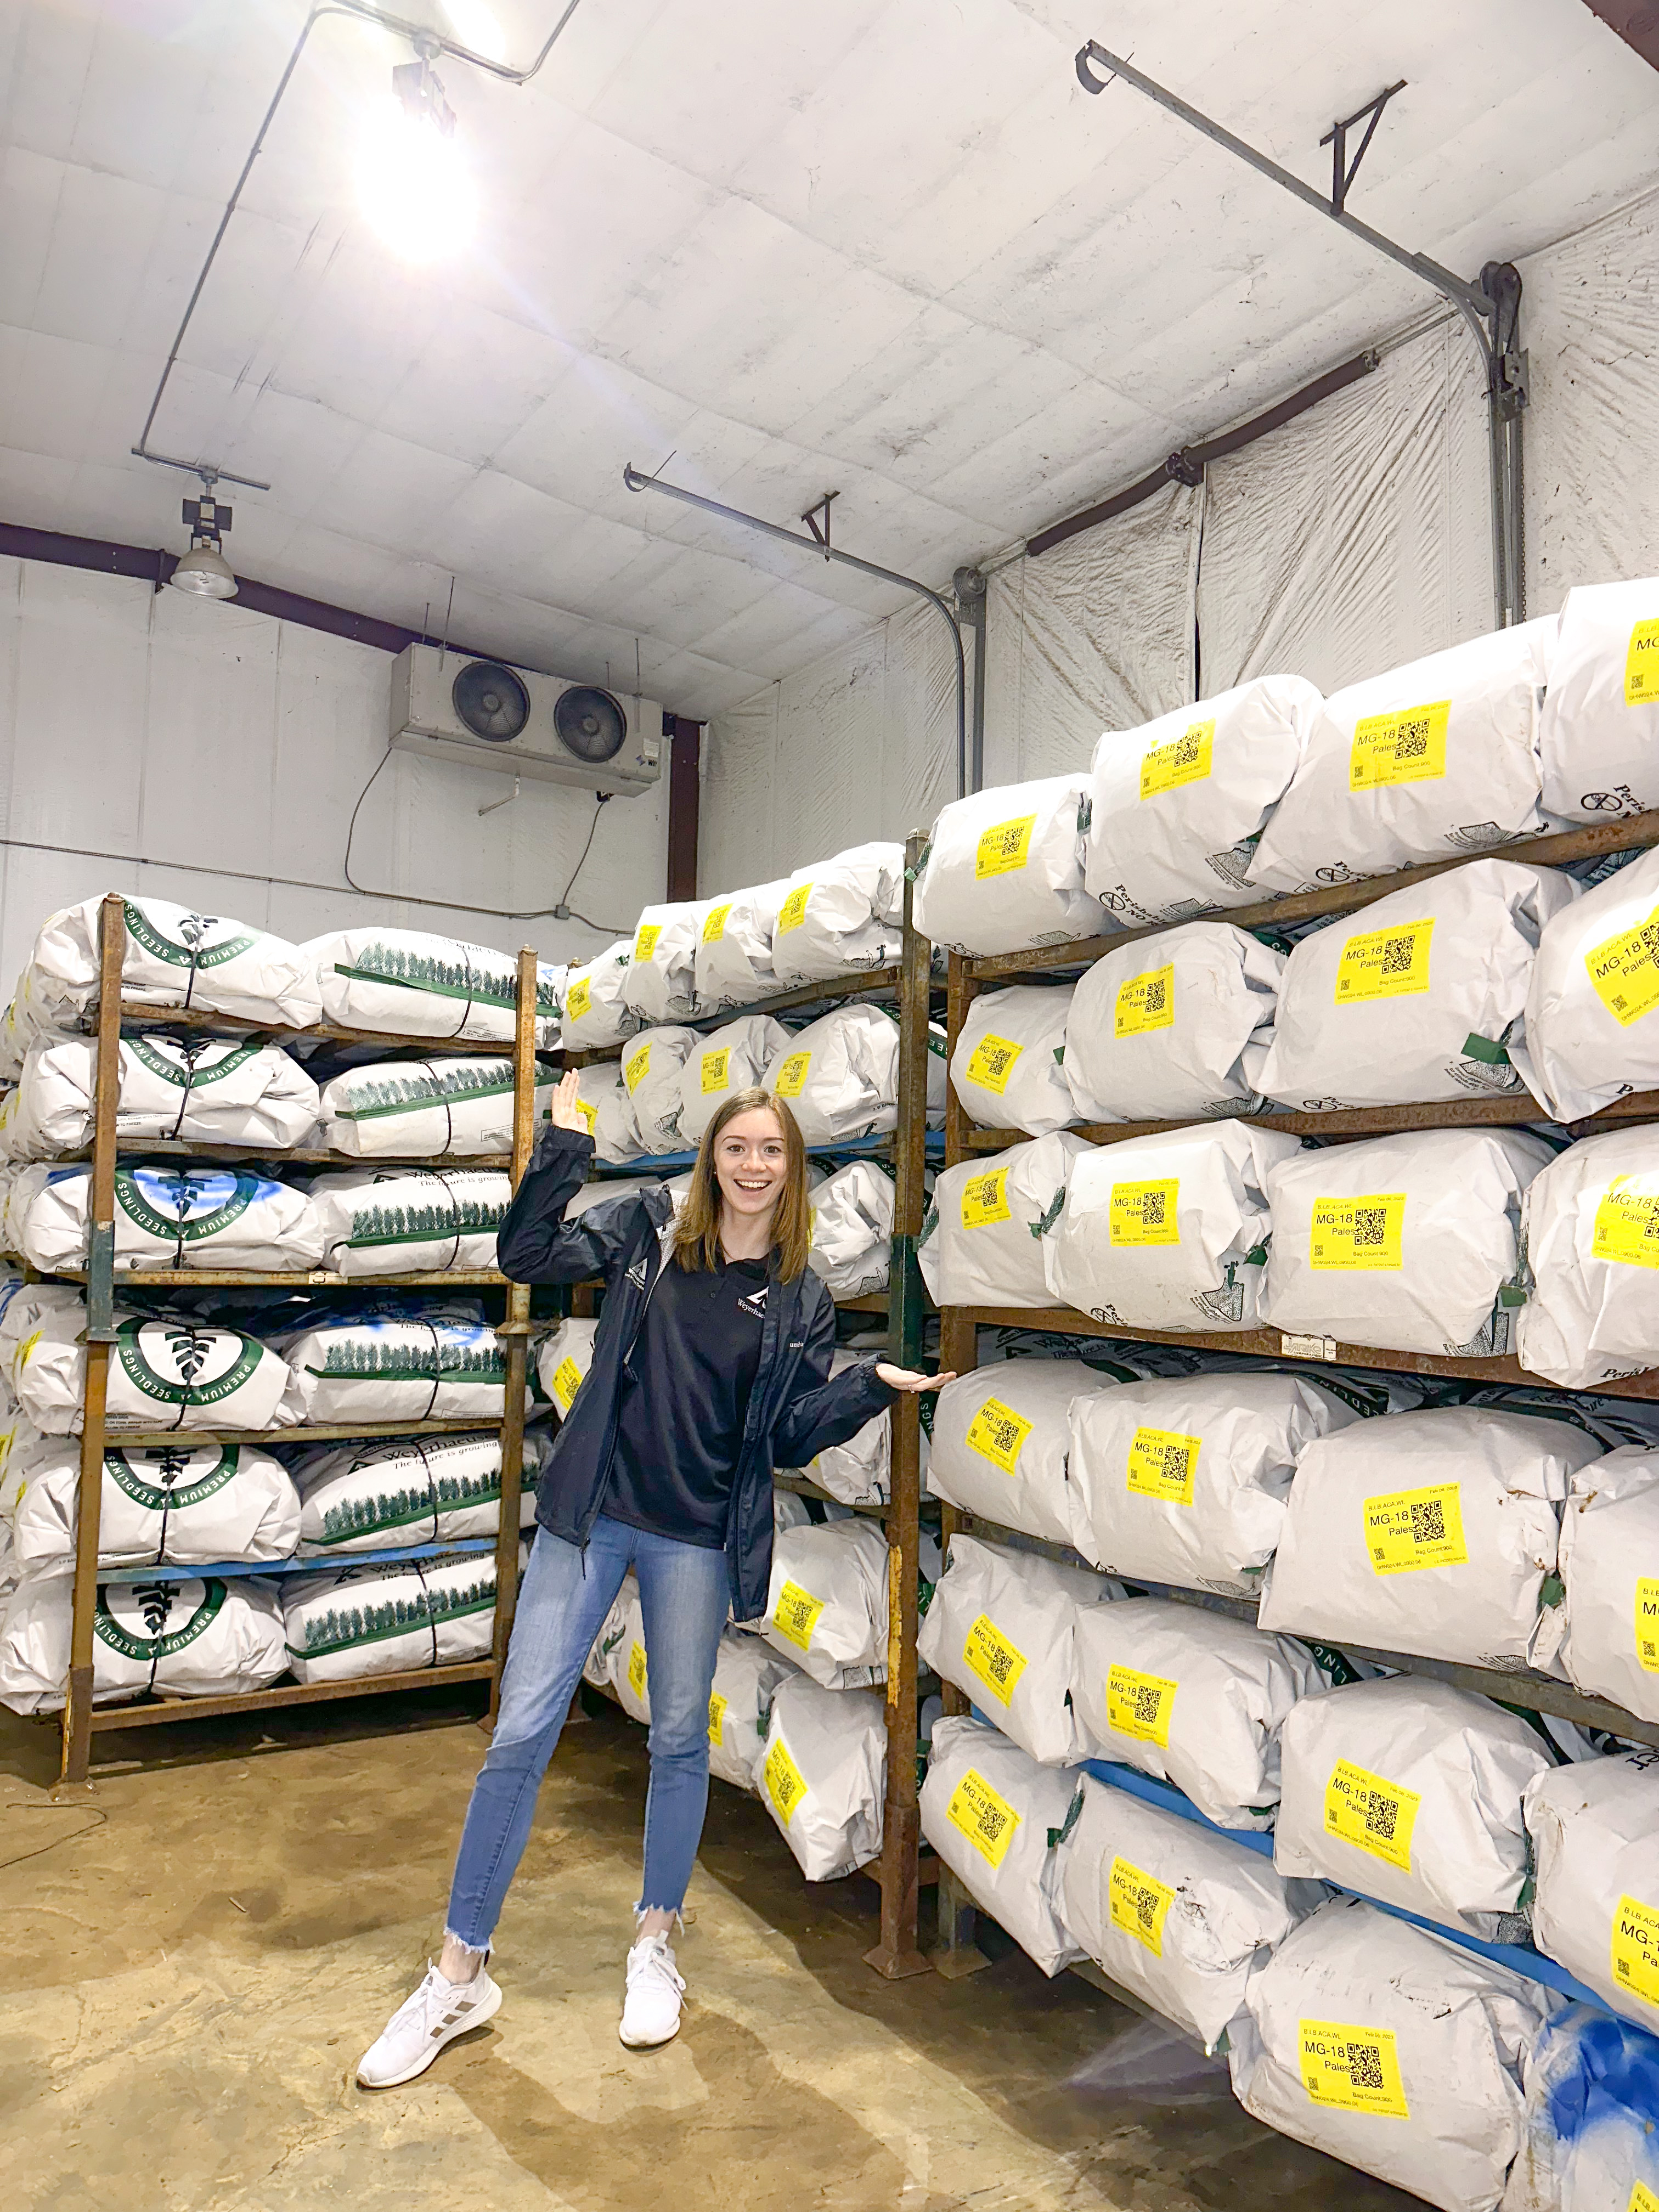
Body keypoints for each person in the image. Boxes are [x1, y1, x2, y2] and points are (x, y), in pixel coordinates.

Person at [358, 1073, 951, 2085]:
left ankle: (654, 1944)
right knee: (521, 1730)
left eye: (772, 1151)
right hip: (592, 1517)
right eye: (738, 1147)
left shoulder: (802, 1296)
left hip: (696, 1539)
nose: (753, 1166)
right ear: (710, 1158)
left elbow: (791, 1433)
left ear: (792, 1170)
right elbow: (526, 1254)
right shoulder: (644, 1232)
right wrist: (563, 1148)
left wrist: (866, 1388)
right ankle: (460, 1971)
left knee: (680, 1737)